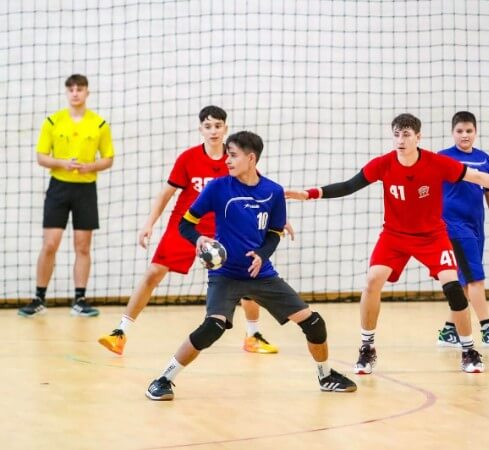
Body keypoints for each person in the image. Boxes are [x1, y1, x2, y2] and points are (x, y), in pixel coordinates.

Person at [286, 113, 489, 374]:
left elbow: (479, 178)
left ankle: (468, 349)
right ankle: (367, 347)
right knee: (372, 280)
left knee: (454, 286)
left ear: (418, 137)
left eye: (406, 135)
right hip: (394, 236)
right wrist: (310, 194)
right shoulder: (383, 164)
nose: (401, 140)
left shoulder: (436, 163)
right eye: (396, 135)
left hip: (432, 236)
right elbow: (348, 186)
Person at [145, 131, 356, 400]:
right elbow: (185, 223)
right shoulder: (217, 187)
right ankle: (163, 379)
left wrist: (262, 255)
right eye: (227, 155)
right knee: (212, 328)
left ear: (251, 158)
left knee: (314, 323)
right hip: (225, 274)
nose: (227, 161)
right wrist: (198, 239)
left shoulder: (273, 191)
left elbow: (275, 233)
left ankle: (325, 376)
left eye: (233, 155)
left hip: (261, 274)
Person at [98, 106, 280, 355]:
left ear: (225, 128)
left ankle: (253, 335)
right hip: (187, 225)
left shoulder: (235, 158)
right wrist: (149, 223)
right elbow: (166, 193)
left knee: (246, 278)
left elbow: (258, 190)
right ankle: (120, 332)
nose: (213, 131)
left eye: (218, 126)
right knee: (154, 272)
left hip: (224, 228)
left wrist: (278, 220)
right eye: (208, 126)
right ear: (200, 129)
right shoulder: (188, 158)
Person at [19, 74, 114, 318]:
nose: (75, 93)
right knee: (50, 244)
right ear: (66, 92)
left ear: (87, 93)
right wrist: (63, 163)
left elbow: (108, 158)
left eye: (80, 89)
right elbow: (41, 156)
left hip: (86, 189)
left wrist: (89, 166)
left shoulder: (99, 124)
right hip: (58, 188)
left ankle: (80, 300)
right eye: (71, 89)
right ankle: (39, 298)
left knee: (83, 246)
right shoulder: (53, 121)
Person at [435, 111, 489, 349]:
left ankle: (449, 331)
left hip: (476, 226)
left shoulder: (484, 159)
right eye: (459, 131)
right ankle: (487, 330)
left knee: (466, 282)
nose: (464, 135)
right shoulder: (443, 158)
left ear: (475, 132)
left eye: (469, 131)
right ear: (452, 133)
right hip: (453, 227)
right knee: (476, 279)